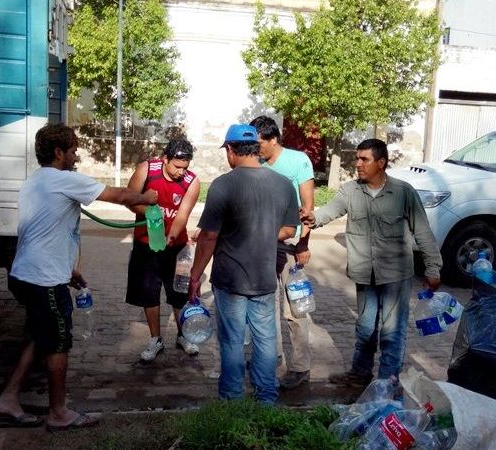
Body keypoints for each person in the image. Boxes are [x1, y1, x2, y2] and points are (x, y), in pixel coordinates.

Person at [0, 123, 157, 432]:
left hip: (25, 274)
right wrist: (147, 197)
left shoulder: (35, 182)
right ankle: (58, 413)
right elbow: (119, 195)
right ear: (58, 153)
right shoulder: (64, 180)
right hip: (43, 280)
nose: (75, 156)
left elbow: (46, 230)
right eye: (72, 151)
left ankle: (8, 398)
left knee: (40, 337)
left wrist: (69, 269)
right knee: (58, 344)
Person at [300, 139, 442, 387]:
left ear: (381, 163)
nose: (358, 164)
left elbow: (423, 232)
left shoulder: (403, 192)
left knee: (392, 332)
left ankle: (386, 385)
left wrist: (433, 267)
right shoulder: (350, 191)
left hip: (395, 276)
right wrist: (314, 217)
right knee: (365, 328)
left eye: (364, 159)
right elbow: (330, 210)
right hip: (365, 273)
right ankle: (359, 375)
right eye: (357, 159)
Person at [188, 124, 299, 405]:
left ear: (231, 150)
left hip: (230, 280)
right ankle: (266, 400)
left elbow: (209, 236)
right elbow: (288, 230)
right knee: (265, 341)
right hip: (264, 278)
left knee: (232, 341)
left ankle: (232, 401)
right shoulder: (283, 183)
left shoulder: (224, 184)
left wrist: (195, 274)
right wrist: (262, 233)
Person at [249, 115, 315, 390]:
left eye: (259, 143)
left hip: (290, 246)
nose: (255, 149)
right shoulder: (256, 163)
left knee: (295, 310)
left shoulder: (298, 161)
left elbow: (308, 206)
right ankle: (270, 359)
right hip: (264, 245)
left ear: (273, 140)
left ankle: (300, 367)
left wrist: (303, 244)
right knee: (264, 305)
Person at [125, 139, 201, 362]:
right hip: (145, 243)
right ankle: (155, 339)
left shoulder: (192, 181)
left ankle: (183, 335)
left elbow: (183, 215)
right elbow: (129, 199)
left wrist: (172, 237)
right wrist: (151, 212)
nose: (180, 172)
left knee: (179, 293)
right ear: (165, 159)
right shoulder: (147, 169)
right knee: (149, 292)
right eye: (177, 166)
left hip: (175, 247)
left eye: (184, 167)